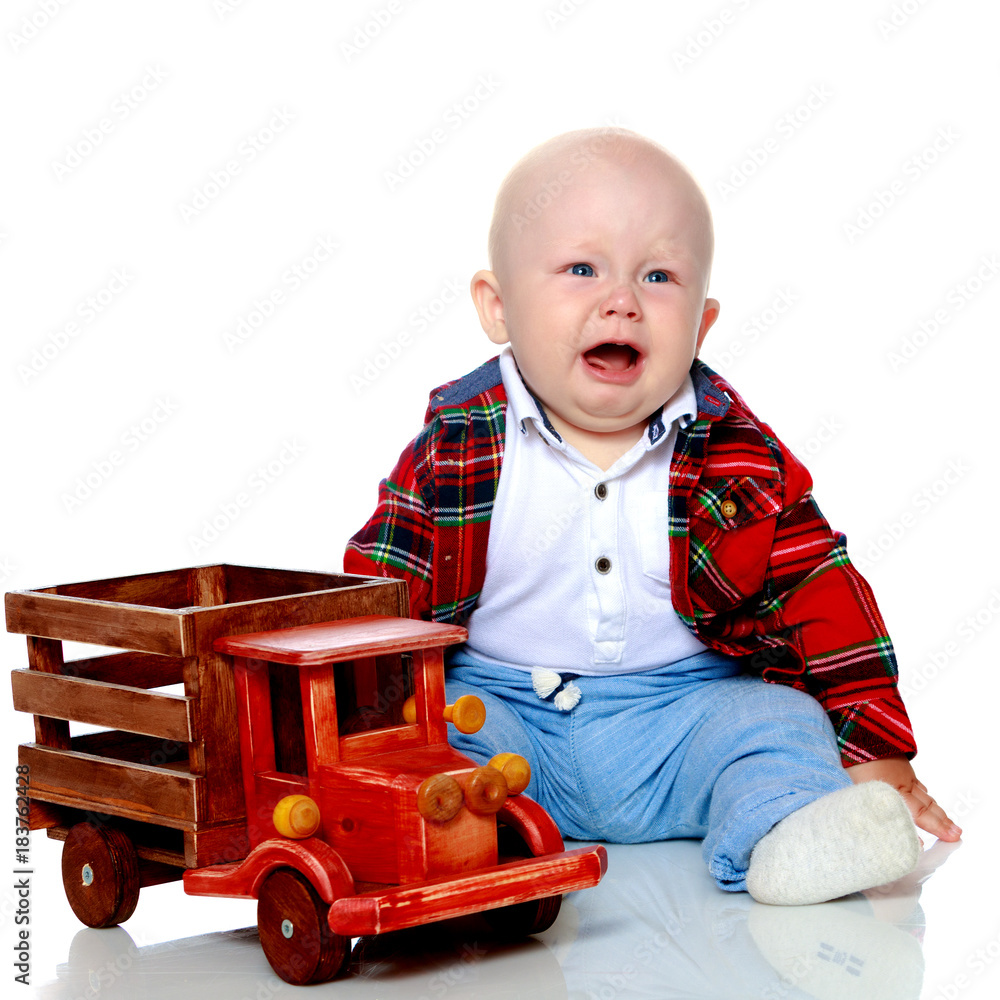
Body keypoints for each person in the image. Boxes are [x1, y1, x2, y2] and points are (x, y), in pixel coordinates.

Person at [344, 127, 961, 905]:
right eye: (582, 268)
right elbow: (380, 592)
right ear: (498, 308)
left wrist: (875, 749)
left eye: (659, 275)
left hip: (686, 717)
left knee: (780, 725)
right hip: (503, 717)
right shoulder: (457, 444)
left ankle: (788, 831)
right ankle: (477, 847)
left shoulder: (738, 453)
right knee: (428, 737)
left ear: (700, 326)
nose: (622, 300)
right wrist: (350, 728)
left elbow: (819, 590)